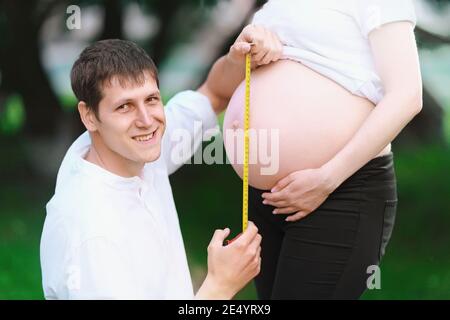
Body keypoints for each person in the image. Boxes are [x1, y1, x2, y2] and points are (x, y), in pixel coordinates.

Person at [40, 25, 283, 299]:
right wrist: (220, 285)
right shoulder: (91, 234)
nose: (146, 120)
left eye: (152, 99)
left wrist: (237, 56)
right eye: (125, 106)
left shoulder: (131, 148)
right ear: (89, 116)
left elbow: (213, 93)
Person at [223, 0, 422, 299]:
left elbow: (407, 95)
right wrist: (247, 47)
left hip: (338, 190)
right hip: (267, 197)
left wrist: (328, 178)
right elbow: (227, 82)